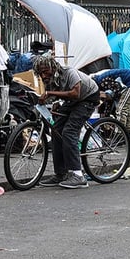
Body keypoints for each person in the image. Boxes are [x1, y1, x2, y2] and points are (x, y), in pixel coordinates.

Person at [33, 55, 99, 189]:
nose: (43, 75)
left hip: (87, 98)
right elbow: (59, 93)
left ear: (53, 67)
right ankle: (60, 173)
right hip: (72, 101)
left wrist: (51, 94)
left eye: (45, 71)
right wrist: (55, 102)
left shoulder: (69, 73)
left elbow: (76, 93)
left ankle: (78, 175)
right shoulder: (49, 79)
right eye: (40, 73)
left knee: (69, 132)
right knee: (56, 130)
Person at [90, 67, 130, 142]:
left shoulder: (101, 80)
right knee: (126, 109)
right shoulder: (102, 79)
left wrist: (106, 96)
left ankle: (119, 136)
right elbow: (110, 99)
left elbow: (117, 88)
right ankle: (128, 136)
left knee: (121, 110)